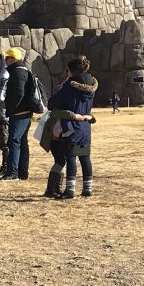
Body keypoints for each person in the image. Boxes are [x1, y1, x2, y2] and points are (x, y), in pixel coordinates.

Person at [46, 57, 99, 198]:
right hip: (85, 126)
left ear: (72, 71)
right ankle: (88, 188)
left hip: (71, 125)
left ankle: (70, 190)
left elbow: (52, 104)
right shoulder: (92, 85)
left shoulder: (69, 86)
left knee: (70, 157)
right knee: (85, 158)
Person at [0, 47, 33, 181]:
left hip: (19, 112)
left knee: (14, 141)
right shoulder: (22, 70)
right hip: (24, 111)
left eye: (7, 58)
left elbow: (19, 93)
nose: (5, 61)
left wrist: (11, 108)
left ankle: (13, 172)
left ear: (13, 59)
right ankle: (22, 172)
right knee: (22, 141)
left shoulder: (17, 73)